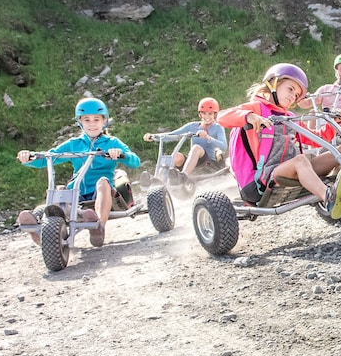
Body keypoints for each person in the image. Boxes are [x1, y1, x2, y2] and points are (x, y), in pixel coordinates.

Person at [219, 63, 341, 219]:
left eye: (296, 95)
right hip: (263, 179)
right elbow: (222, 117)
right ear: (273, 84)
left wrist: (333, 124)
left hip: (295, 170)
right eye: (290, 89)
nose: (293, 96)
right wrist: (248, 116)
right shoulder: (256, 108)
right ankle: (329, 197)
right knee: (301, 160)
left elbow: (317, 139)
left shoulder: (289, 117)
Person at [15, 97, 141, 247]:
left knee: (102, 181)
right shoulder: (74, 144)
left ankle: (99, 227)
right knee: (61, 190)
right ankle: (39, 227)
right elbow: (48, 157)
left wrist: (120, 154)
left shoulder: (112, 142)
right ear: (80, 122)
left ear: (104, 121)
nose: (92, 124)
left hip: (103, 192)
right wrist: (28, 157)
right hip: (77, 192)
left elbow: (135, 161)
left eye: (96, 119)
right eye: (87, 120)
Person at [143, 97, 227, 179]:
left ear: (215, 114)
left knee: (196, 148)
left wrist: (208, 137)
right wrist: (154, 137)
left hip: (208, 163)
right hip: (192, 161)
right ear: (200, 114)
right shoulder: (192, 126)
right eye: (204, 113)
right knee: (176, 156)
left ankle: (183, 176)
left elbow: (224, 146)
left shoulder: (218, 127)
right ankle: (158, 181)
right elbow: (172, 135)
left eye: (210, 114)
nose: (207, 116)